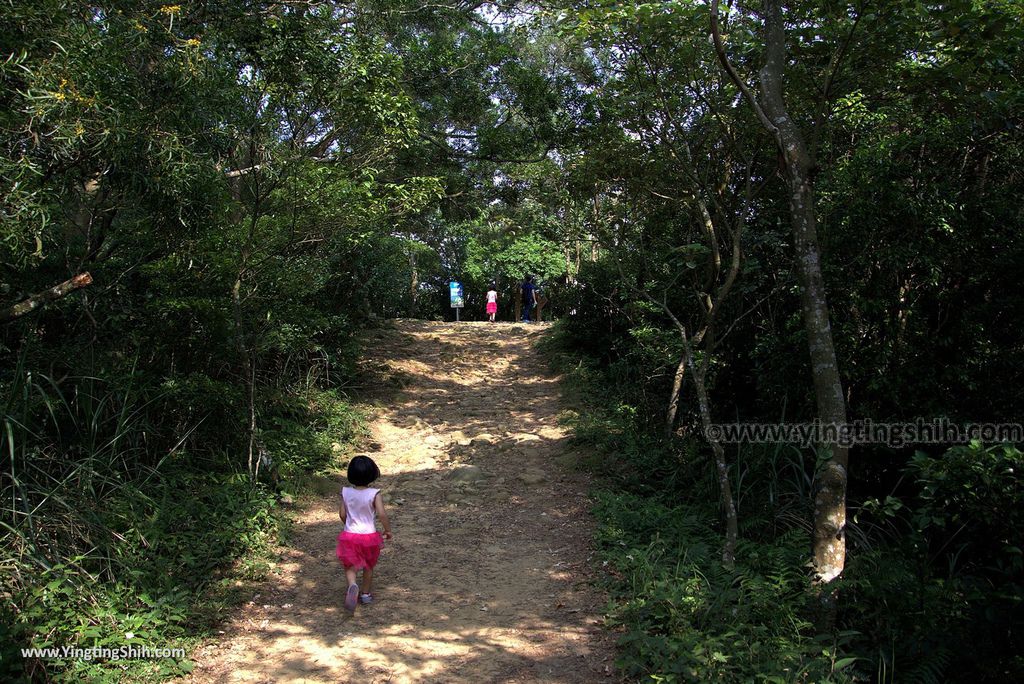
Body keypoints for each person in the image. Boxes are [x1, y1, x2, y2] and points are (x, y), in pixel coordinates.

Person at [337, 455, 393, 613]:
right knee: (368, 566)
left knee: (350, 565)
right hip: (369, 535)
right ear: (372, 474)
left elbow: (342, 513)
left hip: (350, 535)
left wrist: (348, 524)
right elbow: (381, 514)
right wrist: (387, 530)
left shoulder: (346, 492)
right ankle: (366, 594)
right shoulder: (374, 493)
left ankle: (352, 584)